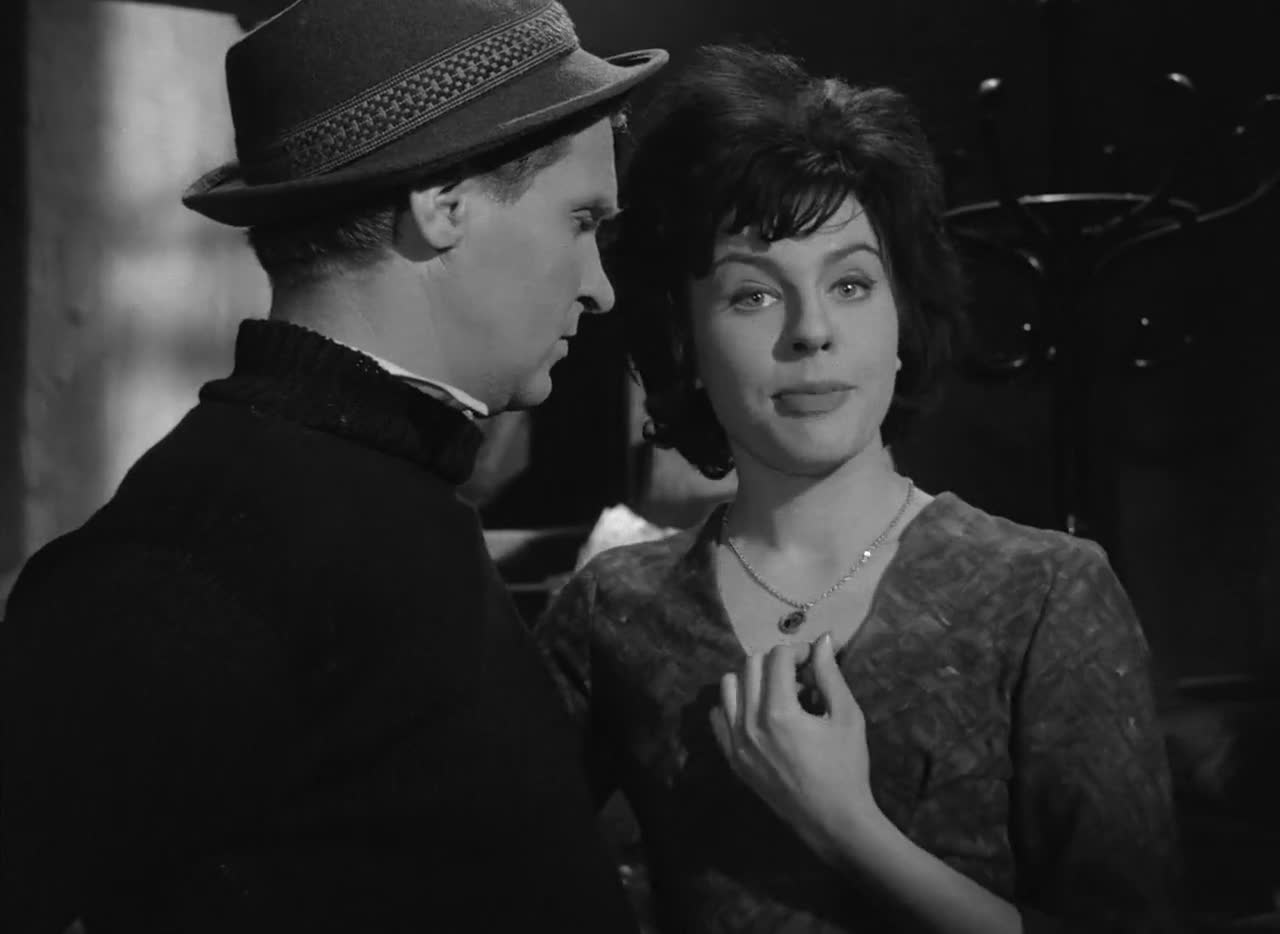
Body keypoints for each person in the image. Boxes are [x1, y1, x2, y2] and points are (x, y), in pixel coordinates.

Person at [0, 2, 665, 931]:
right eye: (581, 220)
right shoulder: (206, 555)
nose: (599, 287)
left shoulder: (386, 494)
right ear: (444, 200)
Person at [534, 44, 1181, 933]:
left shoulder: (1044, 594)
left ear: (902, 315)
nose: (812, 332)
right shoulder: (616, 610)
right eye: (753, 296)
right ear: (684, 336)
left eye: (849, 283)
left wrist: (846, 826)